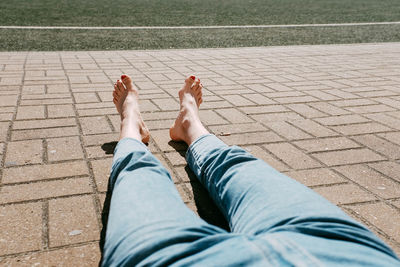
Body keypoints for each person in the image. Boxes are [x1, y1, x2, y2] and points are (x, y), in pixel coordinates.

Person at [102, 75, 400, 266]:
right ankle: (190, 126)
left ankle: (131, 125)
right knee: (234, 163)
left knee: (136, 170)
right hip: (341, 253)